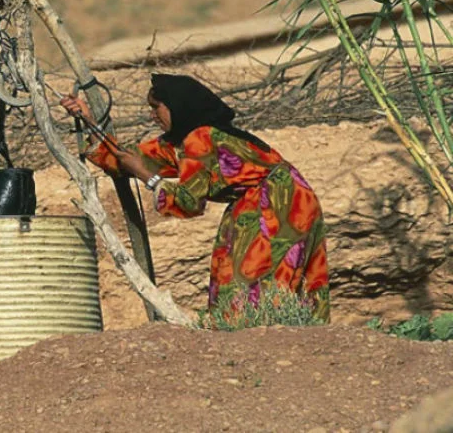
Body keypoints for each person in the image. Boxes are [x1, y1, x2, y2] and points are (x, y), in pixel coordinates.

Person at [60, 73, 330, 323]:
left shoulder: (201, 138)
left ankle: (256, 345)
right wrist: (88, 121)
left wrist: (147, 177)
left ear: (178, 107)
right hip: (285, 199)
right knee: (261, 281)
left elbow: (189, 201)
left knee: (251, 282)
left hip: (278, 205)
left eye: (157, 108)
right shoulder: (181, 142)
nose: (153, 116)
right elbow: (124, 158)